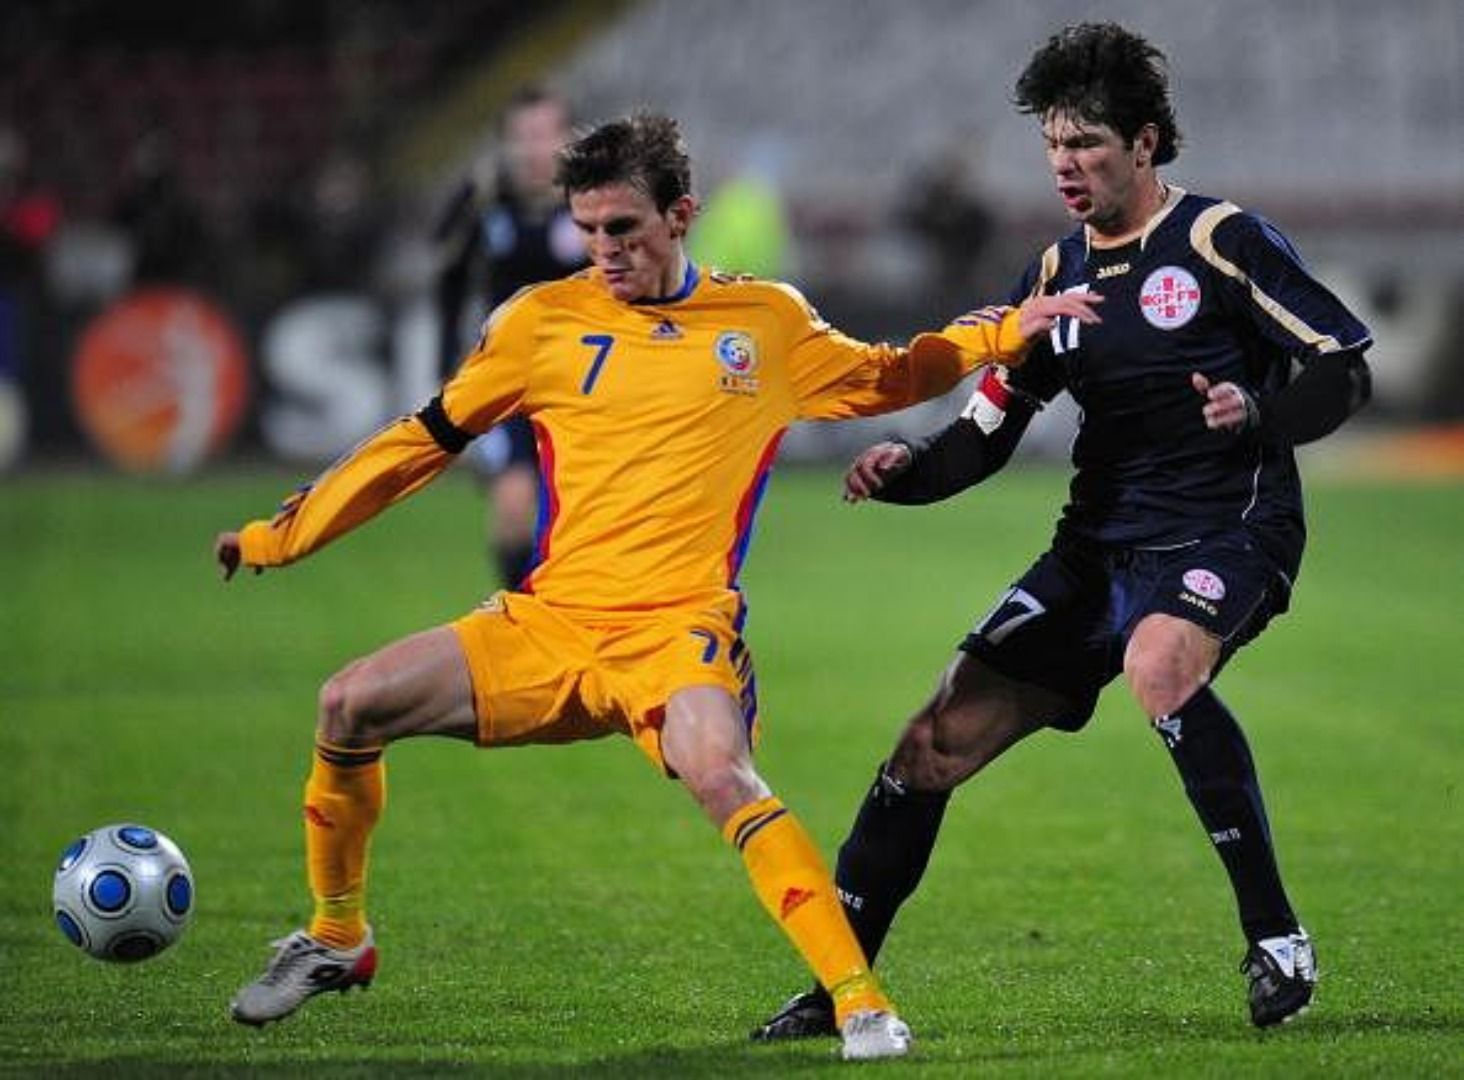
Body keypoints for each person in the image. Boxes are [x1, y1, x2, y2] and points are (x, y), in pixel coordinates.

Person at [214, 112, 1101, 1060]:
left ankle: (862, 1005)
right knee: (348, 703)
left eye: (624, 229)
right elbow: (418, 444)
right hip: (549, 621)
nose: (603, 251)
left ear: (681, 215)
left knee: (721, 771)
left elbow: (887, 376)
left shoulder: (764, 322)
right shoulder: (536, 324)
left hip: (677, 630)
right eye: (588, 230)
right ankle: (339, 937)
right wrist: (282, 534)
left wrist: (1001, 334)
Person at [753, 22, 1372, 1042]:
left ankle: (1276, 939)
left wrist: (1261, 415)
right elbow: (990, 430)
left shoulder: (1222, 240)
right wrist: (908, 473)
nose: (1066, 166)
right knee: (926, 747)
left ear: (1145, 142)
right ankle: (839, 990)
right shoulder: (1055, 272)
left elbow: (1342, 365)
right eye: (1053, 148)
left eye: (1086, 145)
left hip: (1227, 526)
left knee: (1161, 665)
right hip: (1096, 550)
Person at [436, 85, 586, 587]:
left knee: (579, 519)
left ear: (567, 139)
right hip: (509, 380)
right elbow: (450, 279)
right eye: (523, 136)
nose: (535, 148)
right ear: (505, 143)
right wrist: (446, 365)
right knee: (514, 501)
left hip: (585, 382)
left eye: (545, 134)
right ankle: (517, 619)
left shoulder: (593, 200)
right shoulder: (482, 199)